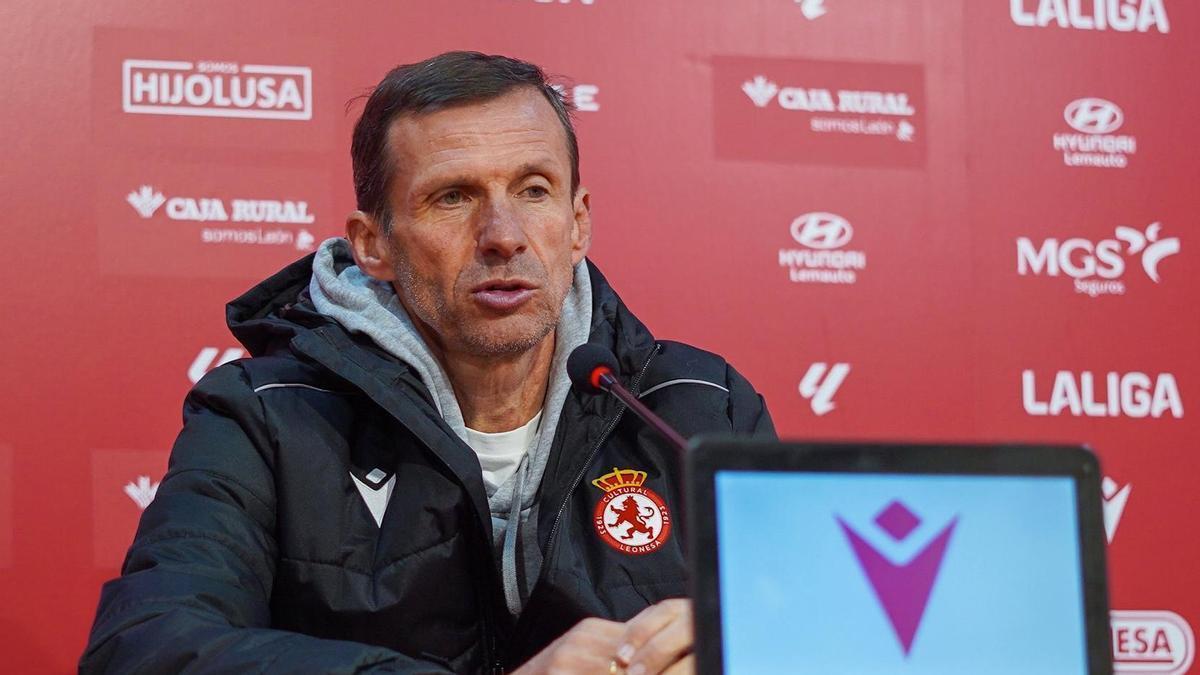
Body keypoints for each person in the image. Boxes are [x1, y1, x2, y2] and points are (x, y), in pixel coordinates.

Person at [81, 51, 775, 674]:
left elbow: (826, 628)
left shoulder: (698, 405)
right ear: (372, 243)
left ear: (578, 222)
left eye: (534, 190)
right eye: (453, 197)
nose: (504, 236)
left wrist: (743, 648)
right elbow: (143, 647)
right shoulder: (266, 414)